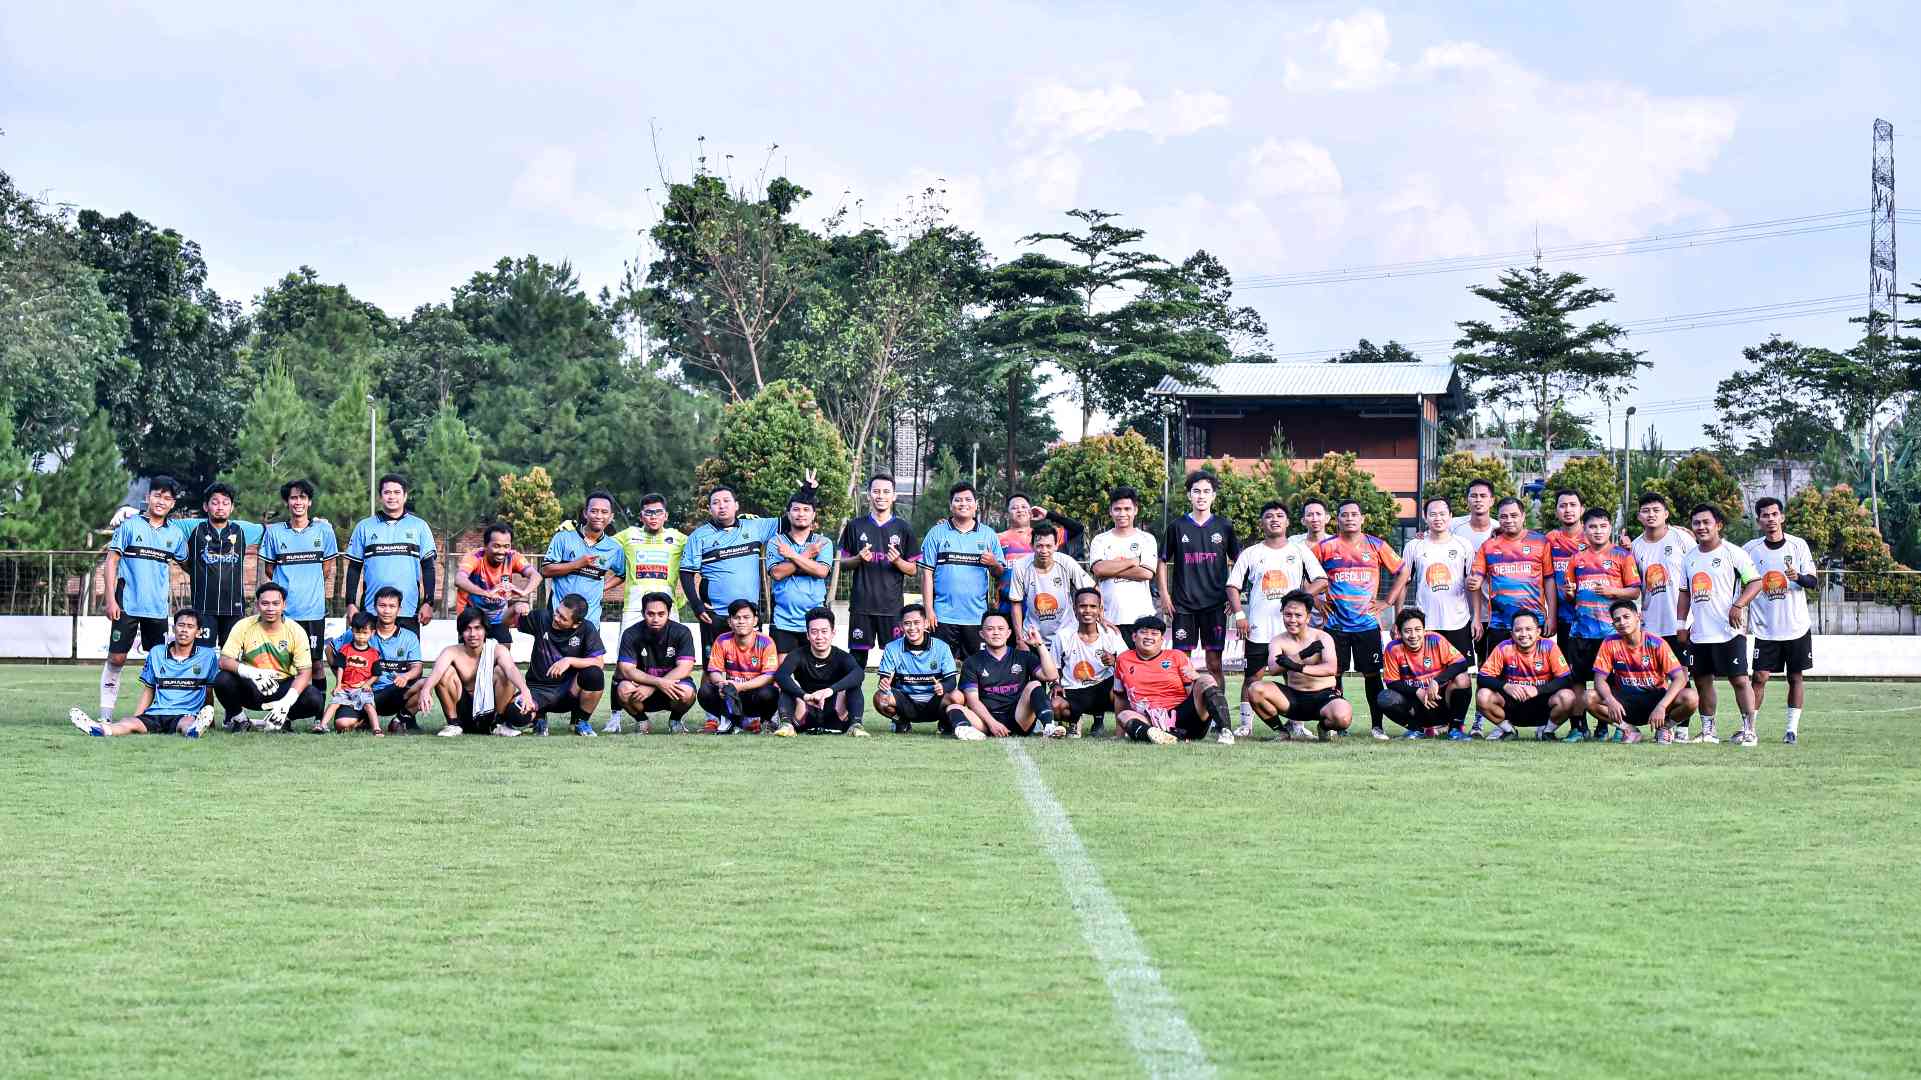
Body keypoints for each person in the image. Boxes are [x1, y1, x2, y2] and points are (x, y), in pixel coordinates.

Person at [683, 476, 813, 663]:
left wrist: (807, 493)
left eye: (726, 501)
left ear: (736, 505)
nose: (722, 506)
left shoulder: (755, 527)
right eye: (716, 503)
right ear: (709, 508)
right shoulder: (699, 536)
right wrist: (696, 605)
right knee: (712, 668)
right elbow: (686, 572)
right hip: (715, 615)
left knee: (751, 666)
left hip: (748, 616)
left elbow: (790, 520)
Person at [1225, 501, 1328, 735]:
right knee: (1252, 676)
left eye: (1280, 516)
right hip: (1259, 628)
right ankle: (1245, 725)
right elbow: (1232, 586)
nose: (1274, 519)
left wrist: (1300, 598)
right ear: (1261, 523)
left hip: (1292, 630)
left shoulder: (1299, 550)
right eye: (1269, 516)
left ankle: (1297, 725)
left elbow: (1322, 580)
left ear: (1288, 522)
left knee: (1295, 674)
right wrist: (1240, 615)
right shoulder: (1251, 553)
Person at [95, 475, 188, 723]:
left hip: (157, 608)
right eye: (157, 495)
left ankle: (154, 713)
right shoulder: (129, 526)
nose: (161, 501)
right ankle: (105, 715)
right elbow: (111, 562)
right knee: (117, 658)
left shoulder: (175, 534)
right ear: (148, 497)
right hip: (127, 603)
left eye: (167, 498)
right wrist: (110, 599)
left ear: (172, 504)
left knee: (158, 660)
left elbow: (187, 564)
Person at [70, 608, 242, 738]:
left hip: (185, 714)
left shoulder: (207, 656)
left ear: (198, 632)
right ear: (174, 628)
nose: (184, 630)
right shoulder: (157, 653)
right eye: (181, 625)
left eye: (190, 627)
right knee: (128, 722)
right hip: (156, 713)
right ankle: (99, 729)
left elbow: (208, 692)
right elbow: (149, 690)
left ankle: (194, 730)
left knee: (188, 723)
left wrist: (210, 721)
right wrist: (139, 717)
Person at [1314, 499, 1403, 740]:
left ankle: (1377, 726)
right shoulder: (1325, 547)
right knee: (1334, 674)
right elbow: (1303, 572)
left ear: (1362, 519)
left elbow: (1403, 571)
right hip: (1335, 625)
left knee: (1372, 676)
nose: (1350, 518)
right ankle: (1337, 725)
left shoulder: (1376, 545)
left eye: (1354, 514)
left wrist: (1388, 601)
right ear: (1337, 519)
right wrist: (1315, 600)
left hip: (1367, 625)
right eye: (1344, 514)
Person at [1676, 503, 1764, 746]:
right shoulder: (1689, 558)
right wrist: (1681, 624)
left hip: (1729, 632)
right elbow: (1684, 593)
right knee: (1702, 681)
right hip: (1699, 633)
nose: (1701, 527)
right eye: (1696, 523)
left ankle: (1749, 730)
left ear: (1719, 525)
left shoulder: (1733, 553)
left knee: (1739, 680)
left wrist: (1738, 605)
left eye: (1706, 522)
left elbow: (1755, 582)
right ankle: (1708, 732)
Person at [1158, 472, 1242, 715]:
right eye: (1196, 491)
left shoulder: (1224, 526)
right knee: (1181, 663)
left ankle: (1219, 717)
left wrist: (1234, 594)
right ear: (1189, 495)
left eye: (1206, 491)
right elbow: (1162, 561)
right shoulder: (1177, 526)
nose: (1201, 496)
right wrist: (1164, 594)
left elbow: (1240, 562)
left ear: (1213, 496)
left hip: (1215, 605)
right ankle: (1183, 715)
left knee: (1214, 663)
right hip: (1183, 604)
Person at [1744, 496, 1818, 744]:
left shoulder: (1798, 546)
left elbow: (1813, 581)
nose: (1771, 519)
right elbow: (1740, 581)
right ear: (1759, 521)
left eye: (1774, 514)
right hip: (1766, 628)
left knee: (1795, 677)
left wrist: (1798, 577)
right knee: (1759, 677)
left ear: (1782, 517)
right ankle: (1750, 729)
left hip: (1796, 626)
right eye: (1765, 515)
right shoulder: (1750, 549)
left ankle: (1791, 730)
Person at [1563, 507, 1642, 739]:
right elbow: (1571, 596)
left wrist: (1612, 591)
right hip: (1581, 632)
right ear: (1585, 530)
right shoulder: (1576, 558)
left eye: (1603, 526)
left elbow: (1635, 591)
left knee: (1612, 682)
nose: (1597, 531)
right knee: (1578, 681)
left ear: (1610, 528)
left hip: (1611, 633)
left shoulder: (1622, 556)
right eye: (1592, 527)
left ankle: (1609, 726)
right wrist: (1569, 592)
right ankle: (1578, 727)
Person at [1630, 491, 1699, 740]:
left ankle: (1681, 728)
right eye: (1646, 511)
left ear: (1666, 514)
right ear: (1639, 516)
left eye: (1656, 510)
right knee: (1657, 678)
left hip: (1681, 623)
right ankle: (1659, 724)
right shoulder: (1636, 546)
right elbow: (1635, 586)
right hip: (1651, 625)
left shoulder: (1681, 538)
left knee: (1682, 675)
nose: (1651, 515)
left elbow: (1698, 568)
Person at [211, 581, 325, 732]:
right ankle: (239, 719)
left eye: (275, 603)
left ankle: (282, 718)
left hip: (283, 685)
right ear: (257, 605)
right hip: (252, 686)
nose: (270, 608)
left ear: (284, 605)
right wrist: (252, 673)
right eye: (265, 603)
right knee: (222, 679)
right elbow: (224, 661)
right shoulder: (243, 625)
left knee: (314, 699)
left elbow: (305, 672)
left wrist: (287, 701)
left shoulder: (296, 631)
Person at [259, 478, 338, 693]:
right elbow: (270, 570)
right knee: (283, 664)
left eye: (302, 497)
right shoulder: (274, 532)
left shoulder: (324, 531)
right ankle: (284, 709)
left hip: (313, 611)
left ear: (309, 502)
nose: (298, 502)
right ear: (287, 502)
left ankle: (318, 710)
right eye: (293, 497)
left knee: (316, 664)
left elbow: (326, 569)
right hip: (285, 612)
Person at [1586, 599, 1698, 744]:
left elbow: (1680, 678)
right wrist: (1610, 700)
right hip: (1625, 701)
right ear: (1613, 624)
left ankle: (1664, 728)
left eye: (1626, 617)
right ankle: (1629, 730)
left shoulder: (1656, 643)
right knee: (1588, 697)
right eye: (1617, 620)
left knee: (1691, 697)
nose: (1622, 622)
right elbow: (1599, 680)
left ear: (1638, 617)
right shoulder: (1609, 643)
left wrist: (1662, 706)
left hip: (1655, 699)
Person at [1244, 591, 1352, 740]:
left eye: (1298, 615)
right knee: (1255, 689)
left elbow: (1330, 669)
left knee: (1343, 718)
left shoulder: (1322, 637)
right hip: (1293, 698)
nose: (1292, 620)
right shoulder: (1278, 640)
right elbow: (1274, 668)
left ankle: (1323, 728)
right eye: (1288, 615)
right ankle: (1281, 732)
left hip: (1324, 697)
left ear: (1308, 617)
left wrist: (1298, 667)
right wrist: (1302, 655)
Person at [1112, 615, 1235, 744]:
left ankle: (1226, 731)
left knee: (1206, 679)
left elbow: (1191, 692)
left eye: (1154, 633)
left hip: (1183, 719)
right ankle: (1159, 736)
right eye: (1143, 632)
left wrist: (1196, 679)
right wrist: (1119, 734)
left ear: (1161, 639)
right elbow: (1120, 697)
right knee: (1124, 715)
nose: (1149, 637)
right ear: (1134, 637)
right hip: (1149, 719)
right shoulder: (1123, 660)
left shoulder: (1177, 656)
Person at [838, 473, 920, 668]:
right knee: (857, 660)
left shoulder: (903, 528)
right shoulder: (855, 526)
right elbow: (842, 564)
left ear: (894, 496)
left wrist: (898, 561)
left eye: (886, 491)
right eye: (876, 491)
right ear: (868, 495)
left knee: (896, 660)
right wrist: (858, 559)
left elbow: (913, 570)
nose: (881, 496)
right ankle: (854, 690)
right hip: (861, 606)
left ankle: (893, 690)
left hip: (891, 608)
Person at [416, 607, 537, 737]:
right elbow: (437, 670)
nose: (473, 634)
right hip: (463, 711)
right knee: (445, 672)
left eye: (477, 628)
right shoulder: (451, 651)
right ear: (461, 632)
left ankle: (498, 725)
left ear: (485, 630)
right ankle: (453, 724)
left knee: (502, 672)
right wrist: (426, 690)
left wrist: (525, 691)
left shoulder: (497, 650)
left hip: (490, 711)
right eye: (467, 629)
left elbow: (511, 669)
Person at [918, 481, 1005, 660]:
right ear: (951, 505)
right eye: (958, 500)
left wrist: (994, 563)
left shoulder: (988, 535)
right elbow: (926, 574)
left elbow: (999, 573)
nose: (963, 504)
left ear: (976, 505)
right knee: (939, 667)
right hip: (942, 617)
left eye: (968, 500)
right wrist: (929, 610)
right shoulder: (936, 533)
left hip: (977, 617)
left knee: (977, 669)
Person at [176, 482, 265, 651]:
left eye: (225, 503)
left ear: (231, 507)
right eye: (215, 502)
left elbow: (272, 531)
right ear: (206, 506)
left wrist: (313, 523)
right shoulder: (192, 527)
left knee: (231, 657)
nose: (220, 507)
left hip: (233, 608)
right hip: (203, 608)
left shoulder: (242, 529)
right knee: (202, 656)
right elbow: (162, 524)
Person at [344, 474, 437, 633]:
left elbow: (428, 568)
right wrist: (350, 603)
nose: (392, 496)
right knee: (370, 650)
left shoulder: (419, 526)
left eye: (397, 492)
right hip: (372, 611)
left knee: (407, 650)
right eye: (387, 492)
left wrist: (429, 603)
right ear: (380, 497)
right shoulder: (364, 527)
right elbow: (354, 568)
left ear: (405, 496)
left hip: (408, 610)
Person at [1390, 496, 1475, 664]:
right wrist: (1398, 620)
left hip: (1458, 622)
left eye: (1443, 514)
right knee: (1427, 671)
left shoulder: (1464, 545)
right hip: (1425, 623)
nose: (1438, 518)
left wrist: (1476, 618)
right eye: (1433, 514)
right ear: (1425, 516)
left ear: (1450, 516)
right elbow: (1403, 583)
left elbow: (1473, 583)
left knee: (1460, 674)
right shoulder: (1414, 546)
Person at [949, 611, 1061, 738]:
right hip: (986, 721)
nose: (996, 632)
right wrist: (992, 723)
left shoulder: (1023, 656)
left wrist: (1039, 645)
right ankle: (967, 732)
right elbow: (972, 700)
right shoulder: (972, 662)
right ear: (982, 634)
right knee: (953, 707)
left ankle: (1049, 727)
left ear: (1008, 633)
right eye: (990, 629)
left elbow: (1051, 676)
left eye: (1001, 629)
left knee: (1034, 684)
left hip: (1019, 719)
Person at [331, 585, 424, 734]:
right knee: (342, 725)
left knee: (425, 683)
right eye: (382, 605)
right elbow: (329, 650)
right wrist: (341, 679)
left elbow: (417, 668)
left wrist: (405, 677)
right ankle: (364, 720)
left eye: (392, 606)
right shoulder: (361, 632)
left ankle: (400, 719)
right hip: (360, 692)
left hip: (392, 692)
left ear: (399, 609)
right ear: (374, 607)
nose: (387, 611)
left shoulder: (409, 637)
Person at [1475, 611, 1581, 740]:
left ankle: (1547, 732)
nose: (1524, 634)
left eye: (1529, 629)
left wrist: (1538, 690)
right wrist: (1506, 686)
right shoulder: (1503, 648)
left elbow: (1566, 679)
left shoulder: (1549, 647)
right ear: (1512, 634)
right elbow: (1482, 677)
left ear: (1538, 632)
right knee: (1483, 696)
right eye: (1518, 630)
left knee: (1568, 697)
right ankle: (1508, 730)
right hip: (1511, 706)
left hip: (1543, 705)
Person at [1469, 497, 1556, 649]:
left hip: (1534, 623)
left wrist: (1552, 616)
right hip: (1499, 624)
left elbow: (1549, 579)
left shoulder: (1541, 542)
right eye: (1504, 516)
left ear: (1523, 516)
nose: (1509, 520)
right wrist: (1476, 618)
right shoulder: (1488, 546)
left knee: (1535, 664)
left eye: (1514, 515)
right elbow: (1475, 582)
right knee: (1497, 664)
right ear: (1498, 519)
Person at [518, 593, 609, 736]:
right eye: (557, 612)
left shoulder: (587, 628)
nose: (556, 618)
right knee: (515, 713)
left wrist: (569, 660)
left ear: (576, 624)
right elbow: (508, 621)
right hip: (537, 691)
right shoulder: (542, 617)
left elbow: (599, 662)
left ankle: (581, 722)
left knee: (594, 674)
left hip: (569, 693)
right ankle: (538, 719)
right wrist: (516, 607)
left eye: (563, 618)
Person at [1376, 608, 1474, 739]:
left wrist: (1436, 681)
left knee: (1463, 679)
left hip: (1440, 701)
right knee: (1384, 698)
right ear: (1399, 632)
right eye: (1407, 631)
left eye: (1418, 629)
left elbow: (1461, 663)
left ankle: (1455, 730)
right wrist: (1418, 691)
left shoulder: (1435, 640)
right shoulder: (1392, 649)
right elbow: (1391, 682)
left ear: (1424, 630)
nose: (1413, 635)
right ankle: (1416, 730)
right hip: (1416, 705)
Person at [610, 591, 699, 734]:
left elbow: (685, 668)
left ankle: (675, 720)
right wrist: (657, 683)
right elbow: (627, 669)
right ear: (643, 613)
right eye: (650, 614)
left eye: (661, 614)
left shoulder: (682, 632)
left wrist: (654, 686)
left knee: (687, 692)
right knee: (623, 689)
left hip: (670, 688)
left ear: (668, 613)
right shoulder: (630, 633)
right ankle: (642, 721)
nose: (655, 619)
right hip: (640, 690)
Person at [771, 607, 870, 737]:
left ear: (833, 633)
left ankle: (856, 725)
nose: (819, 637)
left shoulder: (842, 656)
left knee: (854, 686)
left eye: (824, 631)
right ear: (807, 635)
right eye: (814, 632)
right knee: (786, 688)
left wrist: (830, 690)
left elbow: (859, 674)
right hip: (805, 713)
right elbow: (781, 675)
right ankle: (786, 725)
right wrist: (804, 696)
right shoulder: (798, 655)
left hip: (836, 714)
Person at [542, 490, 628, 627]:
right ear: (585, 513)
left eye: (604, 512)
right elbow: (546, 570)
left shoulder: (614, 548)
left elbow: (622, 574)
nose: (599, 516)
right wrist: (576, 564)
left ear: (611, 516)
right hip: (558, 617)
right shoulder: (563, 538)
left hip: (590, 621)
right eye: (594, 511)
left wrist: (602, 588)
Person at [1049, 588, 1126, 738]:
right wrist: (1055, 684)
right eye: (1083, 606)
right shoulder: (1063, 635)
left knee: (1121, 689)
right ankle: (1073, 721)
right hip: (1073, 689)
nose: (1088, 610)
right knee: (1055, 706)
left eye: (1093, 606)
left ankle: (1117, 729)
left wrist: (1115, 661)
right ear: (1075, 609)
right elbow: (1054, 667)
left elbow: (1129, 664)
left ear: (1100, 609)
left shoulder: (1111, 634)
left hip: (1103, 688)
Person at [765, 487, 833, 656]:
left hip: (814, 620)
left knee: (813, 670)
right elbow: (777, 573)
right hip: (782, 620)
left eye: (806, 510)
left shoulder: (823, 542)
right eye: (796, 509)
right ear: (788, 514)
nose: (801, 514)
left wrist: (791, 556)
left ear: (813, 515)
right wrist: (808, 555)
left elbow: (821, 571)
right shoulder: (776, 542)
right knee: (783, 671)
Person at [874, 604, 963, 733]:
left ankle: (945, 722)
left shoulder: (942, 647)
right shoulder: (892, 648)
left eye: (917, 623)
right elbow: (884, 680)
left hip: (934, 702)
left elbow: (952, 681)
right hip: (906, 703)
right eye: (907, 623)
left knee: (958, 697)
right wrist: (883, 683)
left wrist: (943, 687)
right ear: (901, 626)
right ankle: (900, 721)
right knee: (879, 698)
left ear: (925, 623)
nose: (912, 628)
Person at [697, 599, 781, 734]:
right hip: (732, 693)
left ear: (755, 621)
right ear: (729, 622)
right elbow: (714, 671)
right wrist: (721, 683)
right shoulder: (722, 640)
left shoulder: (766, 642)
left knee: (769, 693)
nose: (741, 621)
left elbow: (769, 676)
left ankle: (766, 721)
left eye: (746, 617)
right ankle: (735, 721)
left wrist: (741, 686)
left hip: (754, 694)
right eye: (736, 618)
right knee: (705, 691)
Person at [1088, 487, 1159, 645]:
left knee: (1139, 660)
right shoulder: (1100, 540)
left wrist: (1110, 570)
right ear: (1110, 511)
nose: (1122, 514)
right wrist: (1132, 561)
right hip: (1108, 618)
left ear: (1135, 510)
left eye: (1127, 509)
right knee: (1111, 660)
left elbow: (1146, 573)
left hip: (1141, 618)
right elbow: (1098, 569)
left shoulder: (1147, 539)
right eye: (1117, 509)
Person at [1008, 520, 1094, 647]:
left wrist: (1100, 620)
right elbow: (1016, 603)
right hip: (1033, 637)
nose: (1044, 550)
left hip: (1066, 636)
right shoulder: (1020, 566)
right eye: (1039, 546)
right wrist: (1020, 640)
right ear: (1032, 545)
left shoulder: (1067, 562)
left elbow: (1092, 590)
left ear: (1056, 546)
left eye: (1048, 546)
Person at [612, 492, 688, 633]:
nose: (654, 517)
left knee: (671, 647)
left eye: (658, 512)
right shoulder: (628, 534)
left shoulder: (678, 538)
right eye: (648, 513)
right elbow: (601, 546)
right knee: (627, 647)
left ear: (666, 516)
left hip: (667, 608)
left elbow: (702, 550)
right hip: (634, 608)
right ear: (641, 516)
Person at [455, 522, 538, 644]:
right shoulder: (475, 557)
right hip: (471, 614)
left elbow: (536, 575)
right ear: (485, 545)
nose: (502, 551)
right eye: (496, 546)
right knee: (470, 653)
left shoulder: (513, 557)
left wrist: (524, 591)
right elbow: (459, 579)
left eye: (506, 546)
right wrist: (487, 593)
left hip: (498, 616)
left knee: (505, 646)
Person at [315, 612, 383, 734]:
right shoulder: (345, 650)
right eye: (357, 632)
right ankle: (322, 725)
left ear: (372, 633)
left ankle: (376, 729)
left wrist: (368, 684)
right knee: (334, 703)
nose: (361, 636)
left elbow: (376, 673)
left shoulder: (374, 654)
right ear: (352, 631)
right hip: (345, 688)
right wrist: (338, 685)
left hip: (361, 688)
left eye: (365, 633)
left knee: (369, 705)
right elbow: (340, 668)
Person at [998, 493, 1086, 583]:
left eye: (1024, 507)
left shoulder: (1046, 535)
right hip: (1007, 591)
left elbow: (1078, 529)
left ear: (1031, 513)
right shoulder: (998, 539)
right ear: (1007, 515)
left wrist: (1049, 515)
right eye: (1014, 508)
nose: (1020, 510)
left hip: (1042, 591)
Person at [1545, 488, 1588, 666]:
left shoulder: (1594, 537)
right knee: (1569, 674)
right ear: (1556, 511)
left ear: (1582, 509)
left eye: (1573, 505)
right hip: (1564, 619)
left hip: (1593, 618)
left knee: (1600, 675)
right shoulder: (1550, 540)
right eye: (1563, 506)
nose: (1568, 509)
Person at [1451, 479, 1499, 563]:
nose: (1478, 500)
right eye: (1473, 496)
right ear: (1467, 500)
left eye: (1483, 496)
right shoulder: (1452, 525)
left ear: (1492, 501)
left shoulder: (1499, 529)